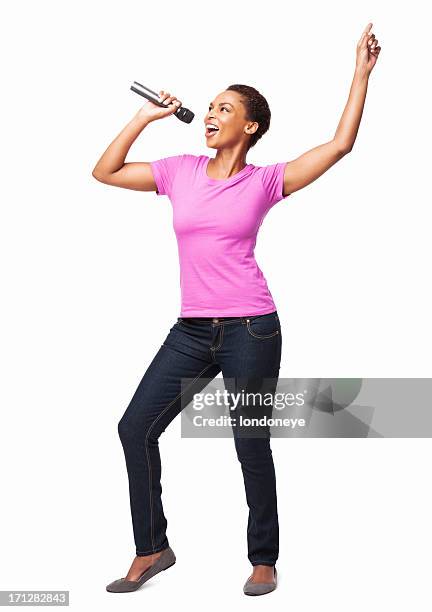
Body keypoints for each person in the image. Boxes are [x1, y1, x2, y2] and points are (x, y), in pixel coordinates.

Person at [91, 23, 381, 596]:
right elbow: (105, 171)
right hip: (191, 331)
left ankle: (264, 559)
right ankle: (152, 548)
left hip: (252, 327)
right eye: (210, 108)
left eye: (225, 108)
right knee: (134, 429)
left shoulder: (267, 181)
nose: (210, 114)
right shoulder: (178, 171)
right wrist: (146, 118)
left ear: (248, 126)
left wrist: (360, 75)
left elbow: (339, 144)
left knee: (250, 440)